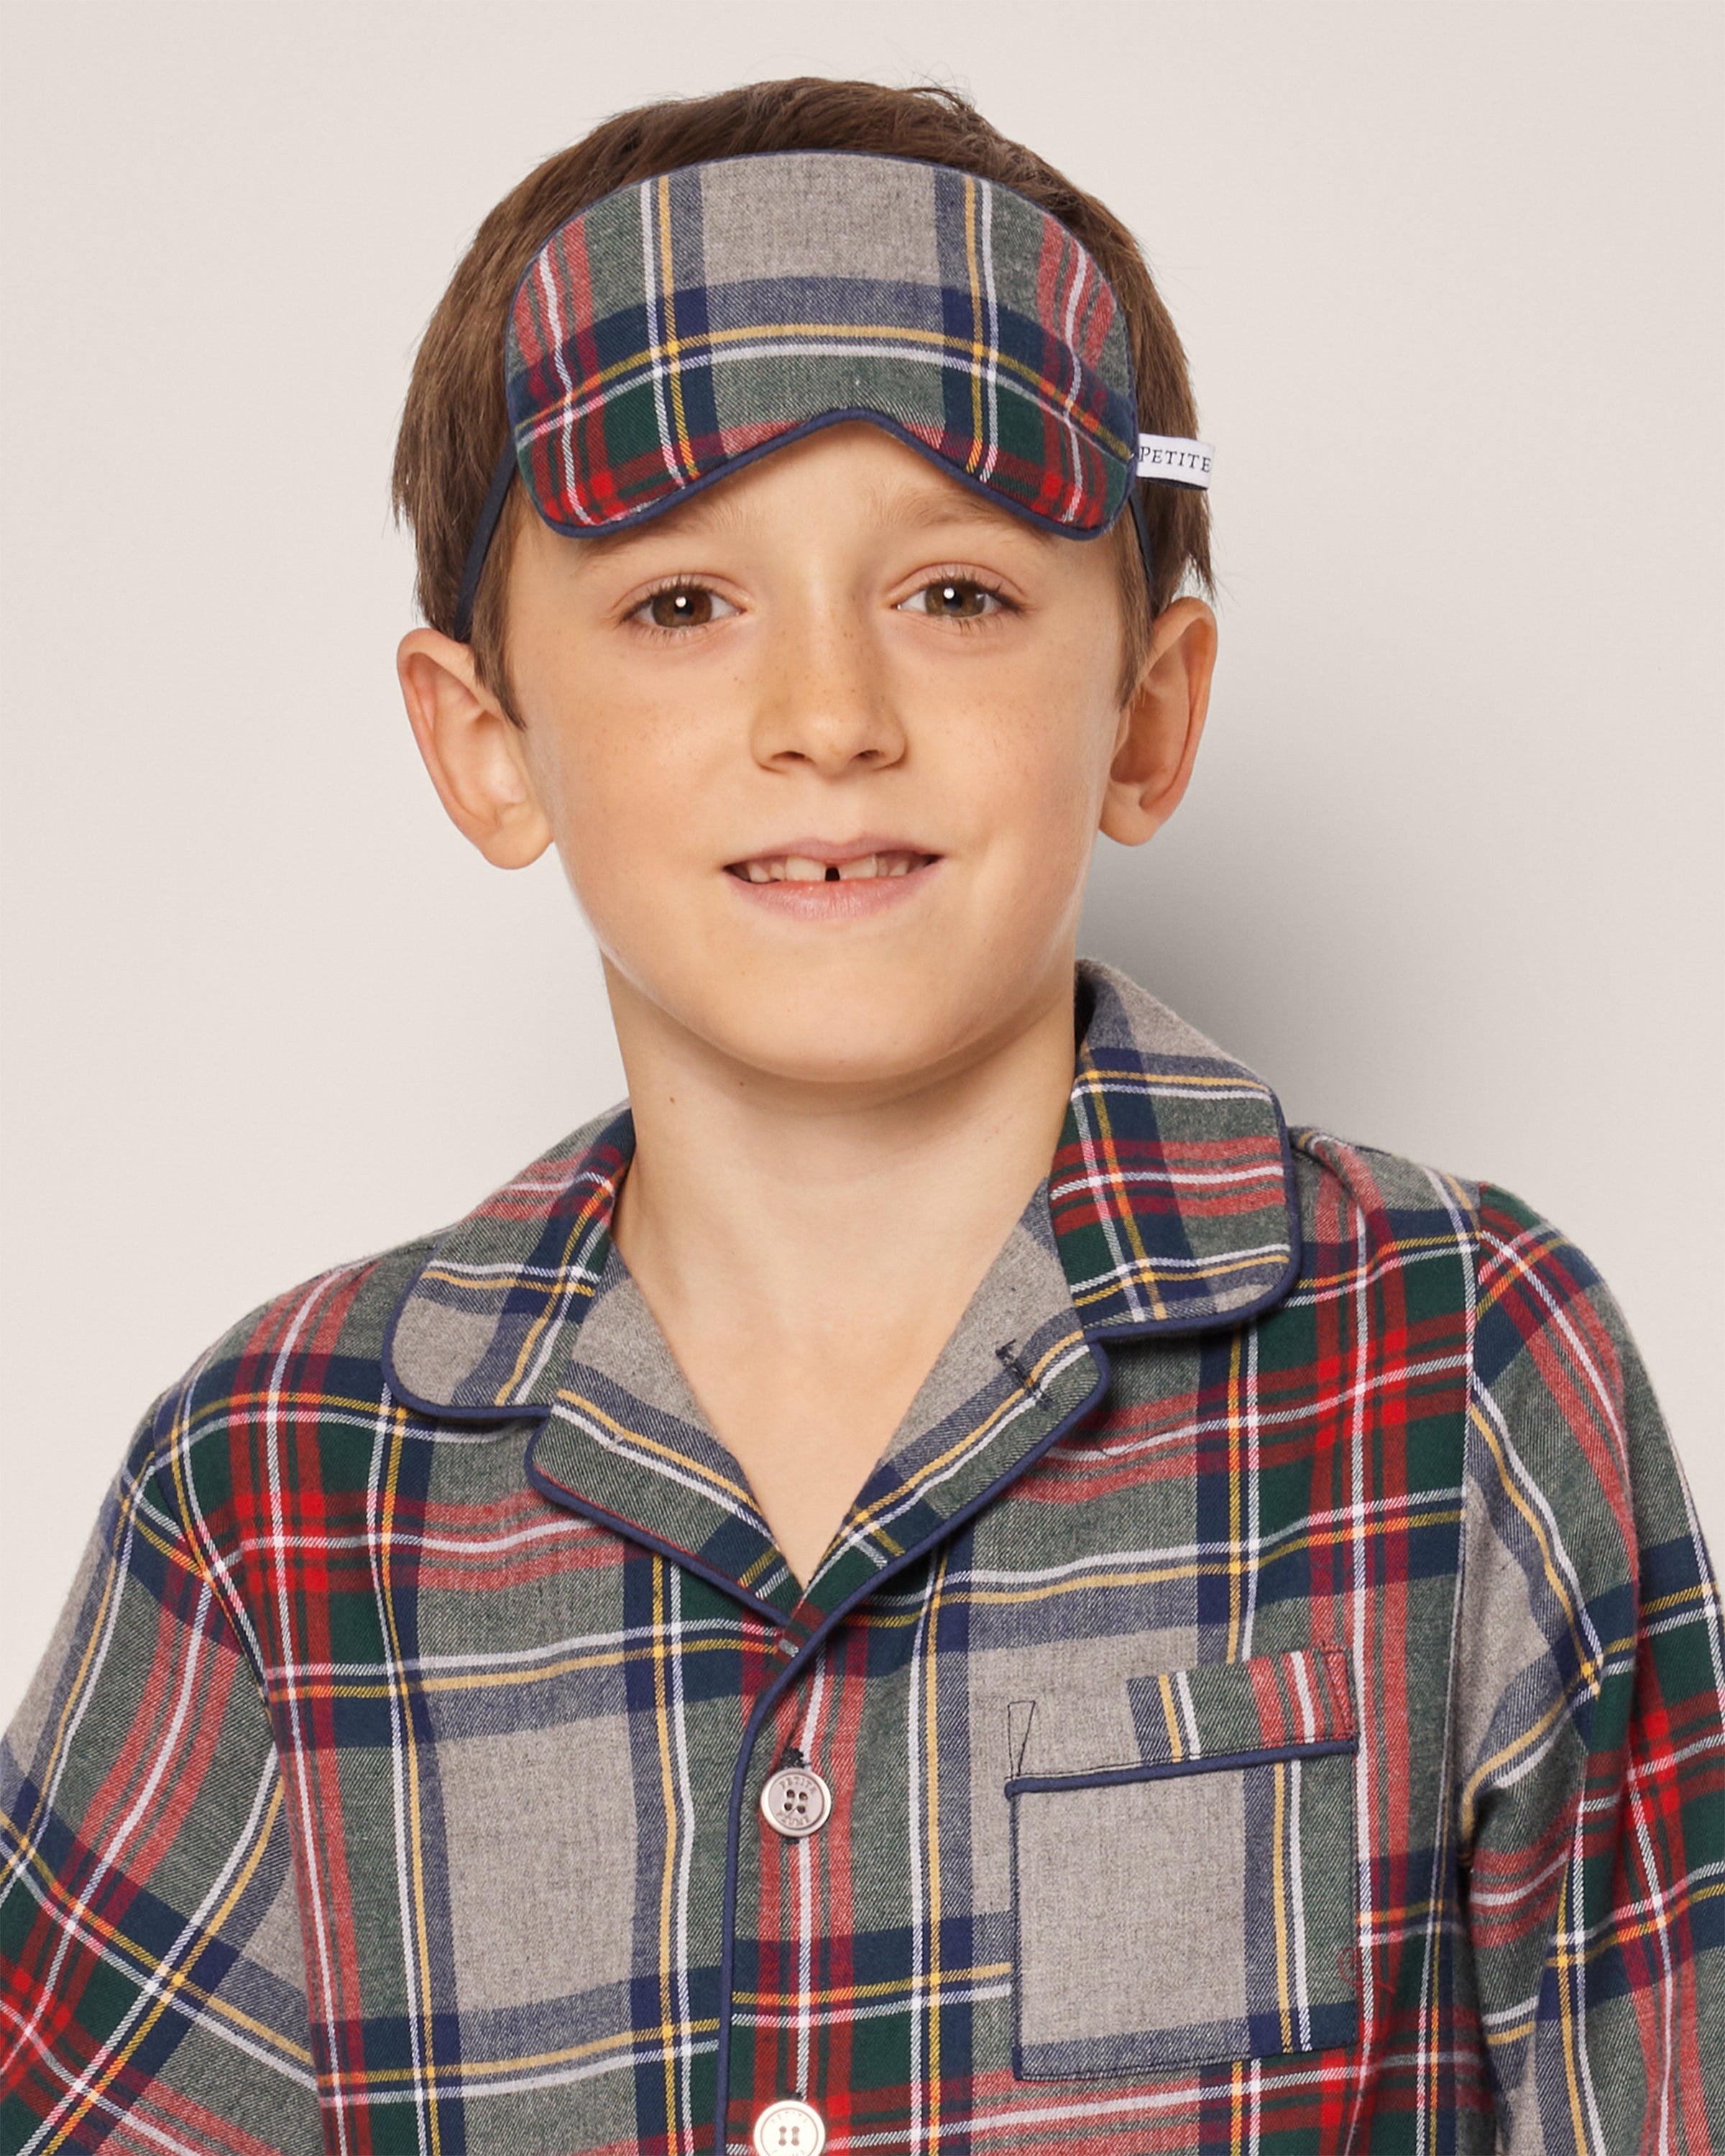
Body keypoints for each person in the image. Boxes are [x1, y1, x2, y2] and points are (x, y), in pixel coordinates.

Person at [2, 76, 1719, 2156]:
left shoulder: (1461, 1376)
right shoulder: (285, 1492)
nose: (829, 718)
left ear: (1151, 711)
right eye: (680, 605)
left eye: (959, 596)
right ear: (484, 741)